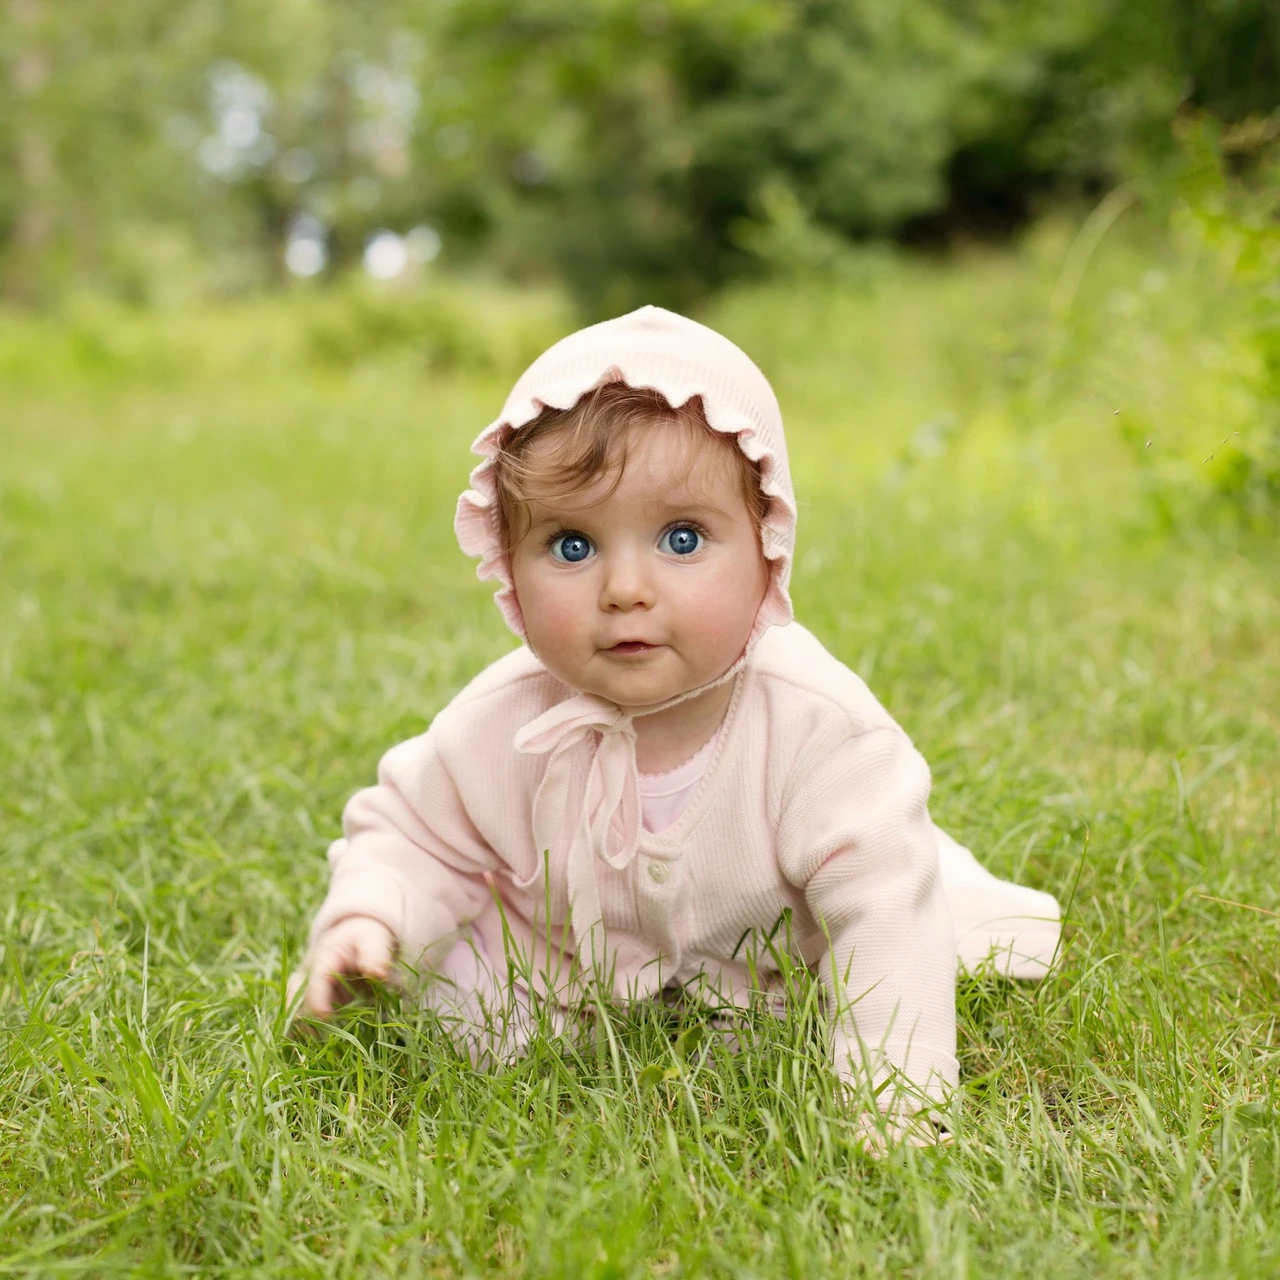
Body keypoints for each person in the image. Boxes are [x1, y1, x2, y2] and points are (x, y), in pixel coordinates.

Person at [292, 305, 1061, 1136]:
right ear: (508, 564)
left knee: (891, 953)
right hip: (577, 959)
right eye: (573, 546)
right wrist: (370, 918)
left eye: (683, 538)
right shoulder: (503, 721)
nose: (625, 588)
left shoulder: (816, 727)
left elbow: (880, 904)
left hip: (774, 961)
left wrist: (894, 1105)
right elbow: (415, 833)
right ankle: (461, 992)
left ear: (767, 549)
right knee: (459, 1010)